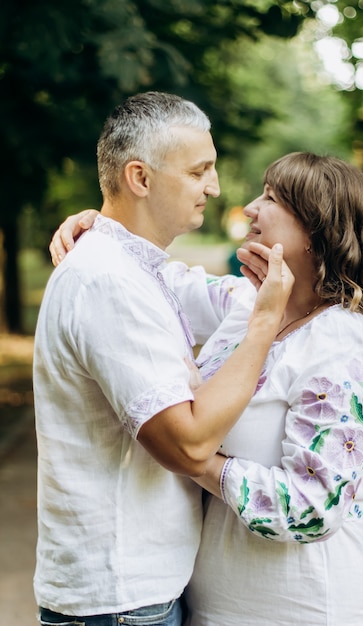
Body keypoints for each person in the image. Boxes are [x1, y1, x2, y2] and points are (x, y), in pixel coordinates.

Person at [52, 151, 363, 625]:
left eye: (272, 198)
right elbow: (155, 282)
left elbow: (311, 508)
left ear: (316, 232)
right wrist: (103, 227)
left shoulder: (343, 343)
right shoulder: (247, 303)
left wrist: (193, 455)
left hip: (305, 610)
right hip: (213, 607)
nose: (249, 208)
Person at [33, 91, 294, 626]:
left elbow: (230, 299)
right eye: (200, 171)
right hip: (120, 600)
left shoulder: (137, 269)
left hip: (135, 592)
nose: (215, 188)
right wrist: (264, 328)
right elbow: (188, 442)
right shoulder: (107, 280)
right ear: (141, 178)